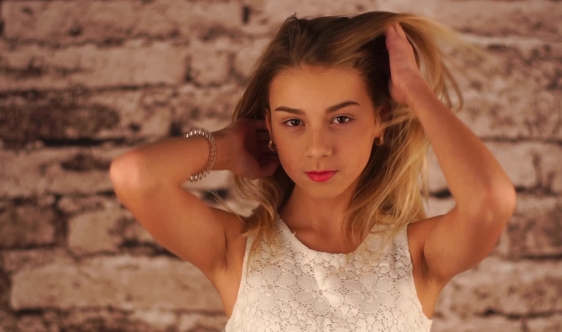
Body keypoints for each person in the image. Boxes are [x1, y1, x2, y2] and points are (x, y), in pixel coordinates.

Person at [109, 11, 516, 332]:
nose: (317, 148)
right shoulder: (235, 250)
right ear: (269, 126)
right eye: (293, 123)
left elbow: (489, 201)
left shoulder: (417, 254)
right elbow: (135, 175)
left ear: (380, 121)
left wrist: (414, 88)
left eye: (341, 119)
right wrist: (230, 146)